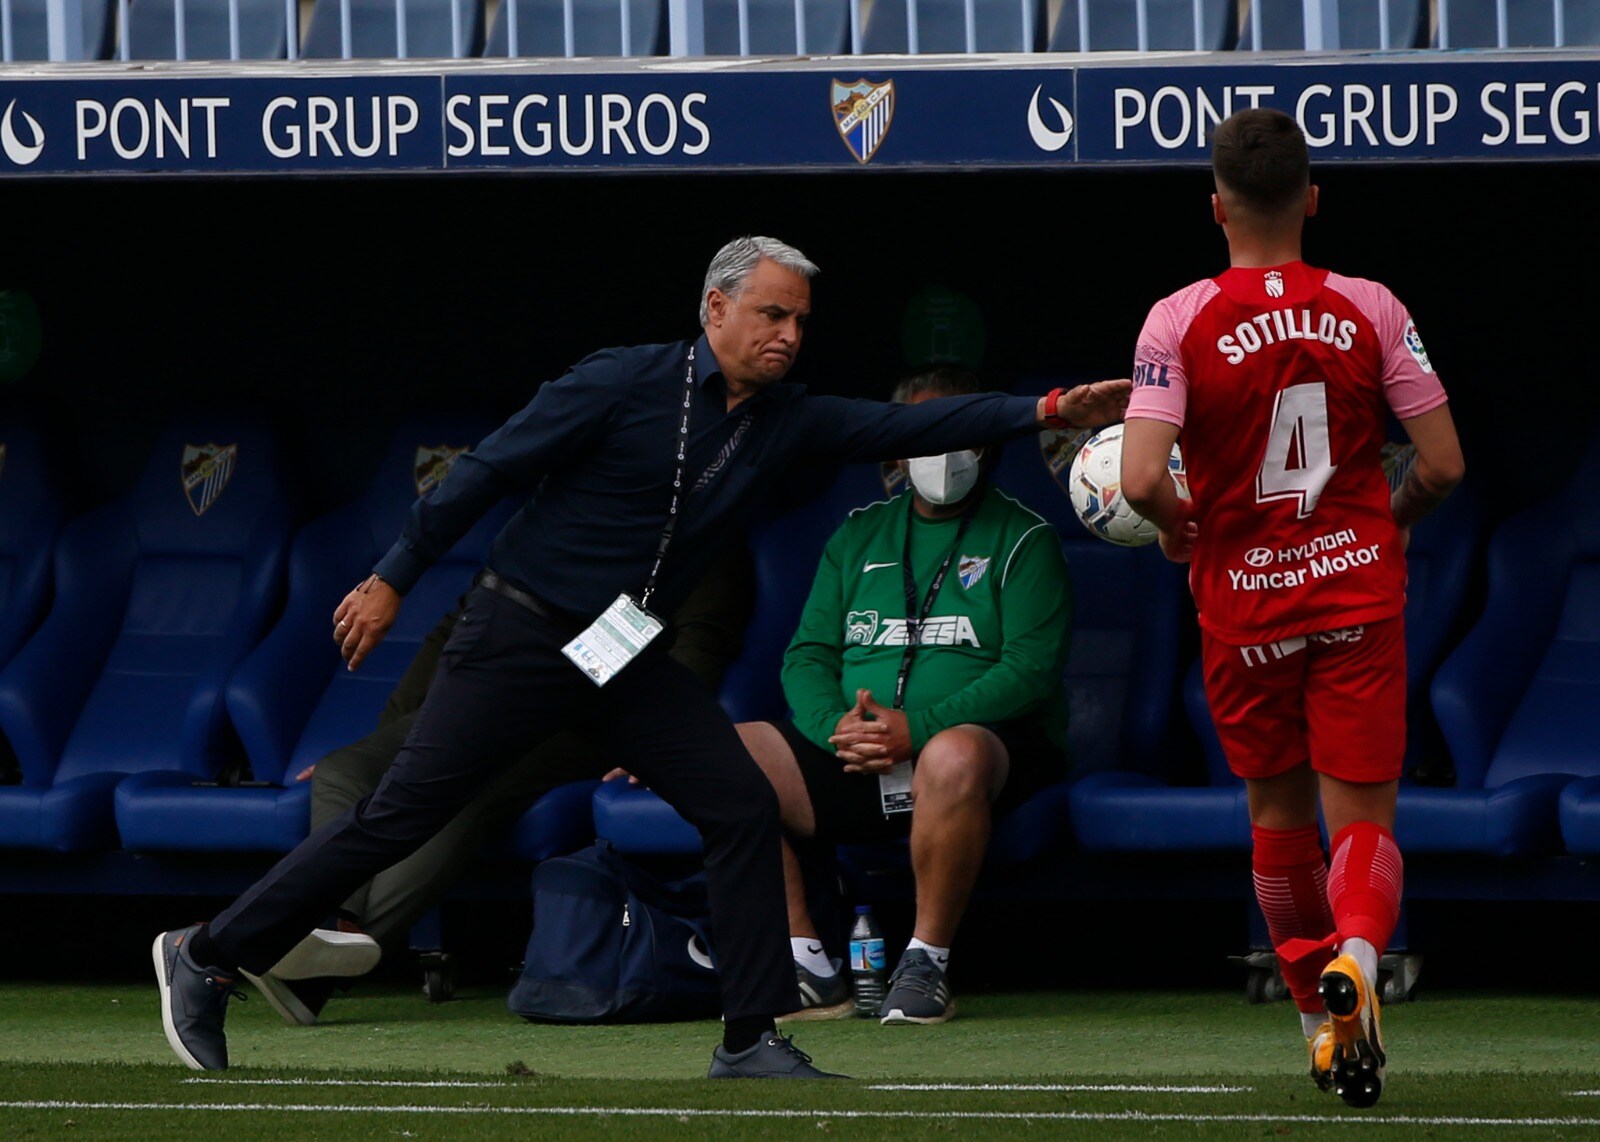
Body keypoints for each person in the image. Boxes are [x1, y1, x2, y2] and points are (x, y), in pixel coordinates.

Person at [152, 235, 1130, 1080]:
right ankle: (206, 952)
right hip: (521, 630)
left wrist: (1045, 409)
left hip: (620, 653)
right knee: (402, 811)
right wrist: (392, 574)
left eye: (801, 320)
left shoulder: (784, 418)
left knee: (739, 803)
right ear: (716, 307)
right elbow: (489, 466)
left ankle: (748, 1037)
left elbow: (909, 425)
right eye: (771, 314)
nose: (789, 334)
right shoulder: (621, 378)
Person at [1118, 109, 1464, 1109]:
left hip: (1245, 610)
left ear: (1215, 205)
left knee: (1276, 817)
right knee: (1363, 815)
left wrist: (1183, 525)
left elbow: (1140, 478)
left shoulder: (1174, 318)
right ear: (1311, 198)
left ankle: (1320, 1018)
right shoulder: (1370, 306)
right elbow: (1442, 462)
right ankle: (1361, 948)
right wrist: (1393, 516)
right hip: (1357, 589)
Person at [246, 538, 756, 1027]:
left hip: (584, 718)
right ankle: (336, 924)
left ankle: (315, 968)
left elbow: (701, 642)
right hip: (491, 695)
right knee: (343, 768)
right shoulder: (555, 526)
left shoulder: (701, 543)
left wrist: (660, 738)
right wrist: (393, 744)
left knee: (456, 791)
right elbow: (457, 629)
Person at [740, 364, 1073, 1026]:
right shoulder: (858, 535)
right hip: (855, 753)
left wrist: (914, 729)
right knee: (727, 753)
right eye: (925, 433)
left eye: (964, 432)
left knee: (951, 754)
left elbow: (1031, 669)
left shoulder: (1025, 536)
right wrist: (838, 726)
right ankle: (805, 962)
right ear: (893, 444)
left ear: (988, 441)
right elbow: (807, 655)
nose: (945, 451)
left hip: (981, 757)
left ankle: (927, 962)